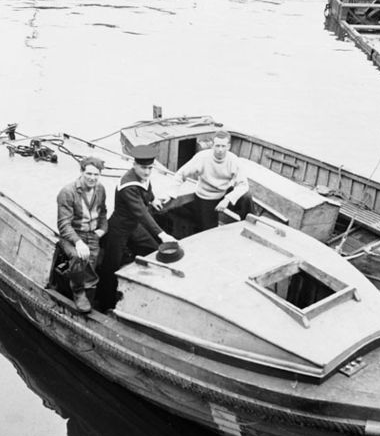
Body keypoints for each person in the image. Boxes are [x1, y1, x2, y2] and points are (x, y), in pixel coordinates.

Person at [98, 145, 174, 311]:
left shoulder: (142, 176)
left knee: (153, 251)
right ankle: (105, 303)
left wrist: (153, 199)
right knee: (111, 266)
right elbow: (141, 213)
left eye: (149, 168)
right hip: (119, 227)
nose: (147, 172)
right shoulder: (128, 185)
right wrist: (162, 234)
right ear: (134, 165)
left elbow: (147, 187)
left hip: (133, 226)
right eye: (143, 168)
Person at [169, 130, 254, 231]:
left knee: (246, 197)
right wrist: (171, 193)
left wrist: (228, 199)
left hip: (224, 193)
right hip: (206, 196)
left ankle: (247, 225)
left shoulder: (233, 160)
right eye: (217, 146)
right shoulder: (202, 157)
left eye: (223, 146)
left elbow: (243, 185)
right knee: (208, 230)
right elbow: (180, 174)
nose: (220, 150)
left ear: (229, 146)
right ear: (212, 145)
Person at [57, 156, 108, 313]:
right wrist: (78, 242)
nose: (92, 178)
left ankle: (90, 303)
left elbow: (103, 211)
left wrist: (103, 229)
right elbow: (63, 224)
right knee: (79, 257)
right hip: (72, 236)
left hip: (92, 234)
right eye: (89, 174)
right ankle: (78, 292)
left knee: (91, 266)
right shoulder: (68, 192)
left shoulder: (100, 189)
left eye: (96, 175)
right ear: (81, 172)